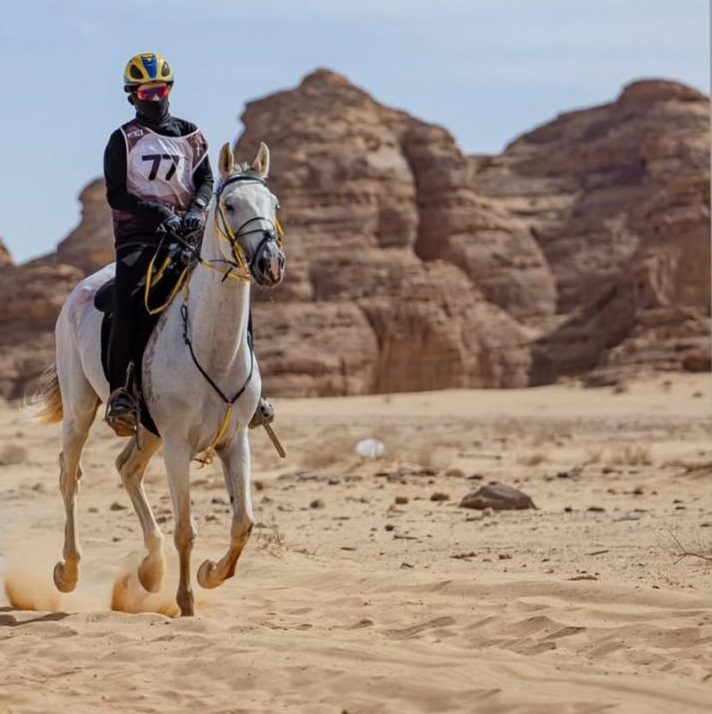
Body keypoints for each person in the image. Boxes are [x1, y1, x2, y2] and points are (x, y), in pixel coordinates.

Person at [103, 52, 274, 437]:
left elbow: (207, 182)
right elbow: (117, 195)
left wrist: (196, 210)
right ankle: (121, 392)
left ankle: (252, 390)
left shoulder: (192, 136)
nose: (156, 99)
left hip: (189, 232)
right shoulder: (122, 140)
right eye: (147, 94)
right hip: (140, 238)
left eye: (161, 90)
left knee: (234, 289)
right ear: (133, 96)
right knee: (130, 299)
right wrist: (158, 214)